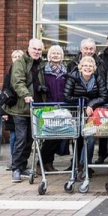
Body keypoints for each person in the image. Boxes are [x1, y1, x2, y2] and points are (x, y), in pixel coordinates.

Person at [5, 39, 47, 183]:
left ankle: (23, 166)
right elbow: (17, 82)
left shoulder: (40, 64)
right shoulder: (20, 63)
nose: (37, 51)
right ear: (28, 49)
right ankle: (16, 169)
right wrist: (26, 95)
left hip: (34, 108)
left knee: (29, 140)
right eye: (34, 49)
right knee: (21, 139)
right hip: (21, 108)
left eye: (39, 49)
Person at [64, 56, 108, 174]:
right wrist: (82, 99)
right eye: (85, 65)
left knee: (90, 138)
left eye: (90, 66)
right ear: (80, 67)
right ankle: (77, 165)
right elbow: (67, 96)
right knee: (78, 139)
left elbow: (104, 96)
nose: (87, 68)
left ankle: (84, 165)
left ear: (94, 68)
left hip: (91, 114)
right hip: (76, 113)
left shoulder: (98, 79)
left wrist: (91, 104)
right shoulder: (73, 78)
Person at [36, 45, 68, 174]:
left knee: (59, 135)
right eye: (53, 53)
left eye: (58, 53)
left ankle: (49, 163)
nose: (55, 55)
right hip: (48, 107)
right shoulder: (43, 71)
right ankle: (41, 163)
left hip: (62, 107)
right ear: (48, 56)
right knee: (49, 137)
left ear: (62, 56)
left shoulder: (65, 72)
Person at [1, 50, 24, 171]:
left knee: (20, 137)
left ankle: (19, 161)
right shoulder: (9, 73)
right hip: (10, 108)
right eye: (14, 56)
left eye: (19, 56)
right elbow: (4, 92)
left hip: (21, 108)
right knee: (14, 136)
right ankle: (13, 160)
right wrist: (3, 112)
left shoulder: (23, 71)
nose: (16, 58)